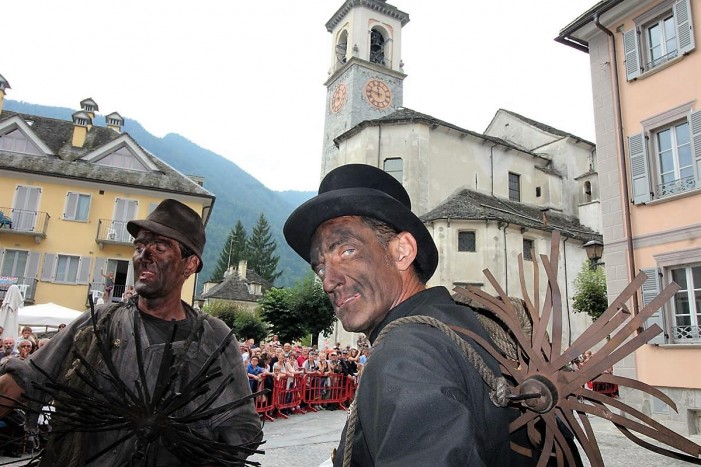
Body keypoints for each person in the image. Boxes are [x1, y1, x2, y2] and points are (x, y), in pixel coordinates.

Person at [0, 198, 262, 465]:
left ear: (190, 264)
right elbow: (27, 377)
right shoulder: (100, 322)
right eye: (139, 246)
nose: (143, 255)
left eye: (159, 247)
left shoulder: (213, 337)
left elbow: (241, 425)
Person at [284, 164, 514, 466]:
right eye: (321, 267)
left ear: (402, 251)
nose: (329, 281)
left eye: (347, 251)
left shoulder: (406, 355)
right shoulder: (459, 325)